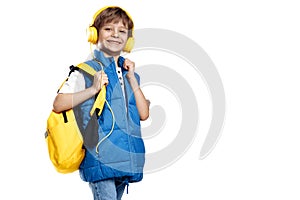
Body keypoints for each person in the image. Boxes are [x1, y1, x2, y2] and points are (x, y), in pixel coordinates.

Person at [52, 6, 149, 200]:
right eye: (108, 29)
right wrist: (92, 90)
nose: (115, 35)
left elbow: (144, 114)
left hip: (126, 159)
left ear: (129, 40)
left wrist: (132, 79)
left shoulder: (131, 74)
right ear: (94, 34)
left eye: (122, 31)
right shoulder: (86, 71)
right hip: (101, 157)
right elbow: (58, 103)